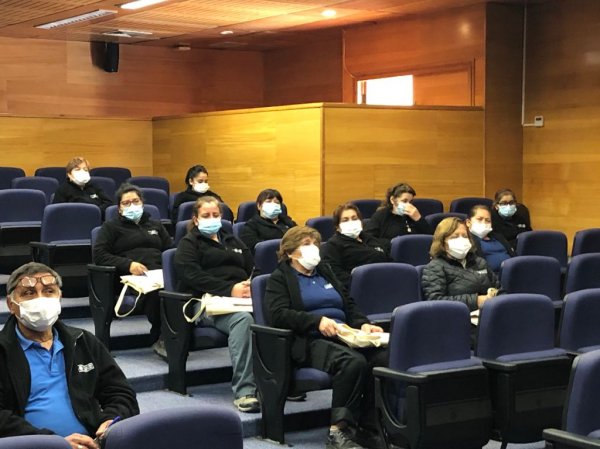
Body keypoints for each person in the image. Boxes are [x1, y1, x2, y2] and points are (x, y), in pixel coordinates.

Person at [265, 226, 387, 449]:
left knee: (382, 359)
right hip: (308, 339)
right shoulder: (280, 278)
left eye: (315, 243)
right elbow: (279, 314)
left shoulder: (325, 271)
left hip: (344, 334)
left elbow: (348, 304)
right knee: (353, 363)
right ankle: (338, 431)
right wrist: (316, 322)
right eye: (306, 244)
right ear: (290, 252)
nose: (313, 248)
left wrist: (363, 323)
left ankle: (367, 426)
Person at [0, 262, 139, 447]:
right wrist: (55, 443)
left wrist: (109, 422)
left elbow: (121, 392)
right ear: (11, 304)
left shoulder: (83, 341)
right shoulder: (3, 350)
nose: (40, 299)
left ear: (59, 298)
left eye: (49, 291)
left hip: (91, 442)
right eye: (29, 293)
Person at [174, 195, 259, 413]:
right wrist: (230, 289)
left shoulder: (232, 240)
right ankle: (245, 391)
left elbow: (253, 268)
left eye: (215, 214)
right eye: (206, 215)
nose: (211, 218)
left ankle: (282, 383)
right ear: (196, 219)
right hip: (205, 302)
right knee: (243, 320)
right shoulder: (188, 243)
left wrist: (250, 286)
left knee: (275, 314)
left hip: (240, 299)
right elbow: (192, 276)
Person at [93, 183, 172, 357]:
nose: (132, 205)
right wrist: (128, 264)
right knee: (157, 293)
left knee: (178, 288)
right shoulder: (111, 227)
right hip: (129, 280)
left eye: (135, 201)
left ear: (142, 203)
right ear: (119, 208)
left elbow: (170, 250)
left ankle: (175, 337)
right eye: (126, 203)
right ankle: (162, 337)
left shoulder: (155, 225)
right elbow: (99, 255)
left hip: (159, 274)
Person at [422, 217, 499, 311]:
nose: (461, 240)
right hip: (458, 316)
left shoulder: (480, 262)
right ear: (442, 242)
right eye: (455, 237)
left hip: (488, 313)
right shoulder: (435, 267)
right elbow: (435, 300)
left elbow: (499, 289)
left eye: (465, 236)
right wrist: (476, 301)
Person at [323, 203, 390, 289]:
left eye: (354, 218)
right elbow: (336, 275)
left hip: (386, 281)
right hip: (361, 288)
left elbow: (388, 259)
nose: (351, 222)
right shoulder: (333, 245)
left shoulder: (369, 238)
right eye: (345, 220)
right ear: (337, 226)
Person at [364, 183, 431, 241]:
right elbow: (369, 238)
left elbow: (430, 238)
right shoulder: (381, 215)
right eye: (404, 201)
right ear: (392, 200)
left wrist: (419, 219)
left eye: (410, 202)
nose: (408, 205)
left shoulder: (413, 216)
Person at [239, 188, 297, 253]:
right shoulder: (251, 226)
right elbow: (253, 249)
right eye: (268, 201)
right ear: (259, 206)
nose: (273, 205)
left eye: (276, 202)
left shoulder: (288, 222)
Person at [466, 205, 514, 273]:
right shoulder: (467, 240)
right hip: (490, 277)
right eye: (479, 219)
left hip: (512, 273)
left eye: (488, 220)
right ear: (468, 222)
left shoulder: (498, 237)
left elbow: (513, 254)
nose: (484, 223)